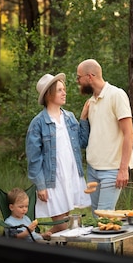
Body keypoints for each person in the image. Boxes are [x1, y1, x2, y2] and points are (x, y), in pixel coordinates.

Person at [26, 72, 91, 234]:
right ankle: (43, 241)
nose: (65, 93)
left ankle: (48, 244)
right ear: (49, 95)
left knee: (65, 225)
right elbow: (34, 158)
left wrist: (83, 118)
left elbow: (82, 142)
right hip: (52, 182)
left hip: (70, 176)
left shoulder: (69, 118)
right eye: (60, 90)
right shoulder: (38, 123)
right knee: (61, 225)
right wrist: (41, 186)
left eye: (64, 89)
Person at [77, 58, 133, 217]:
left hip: (112, 170)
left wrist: (123, 169)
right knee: (97, 218)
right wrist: (82, 118)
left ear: (89, 77)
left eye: (79, 77)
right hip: (93, 169)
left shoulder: (117, 95)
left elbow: (129, 133)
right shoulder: (91, 101)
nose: (77, 82)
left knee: (104, 217)